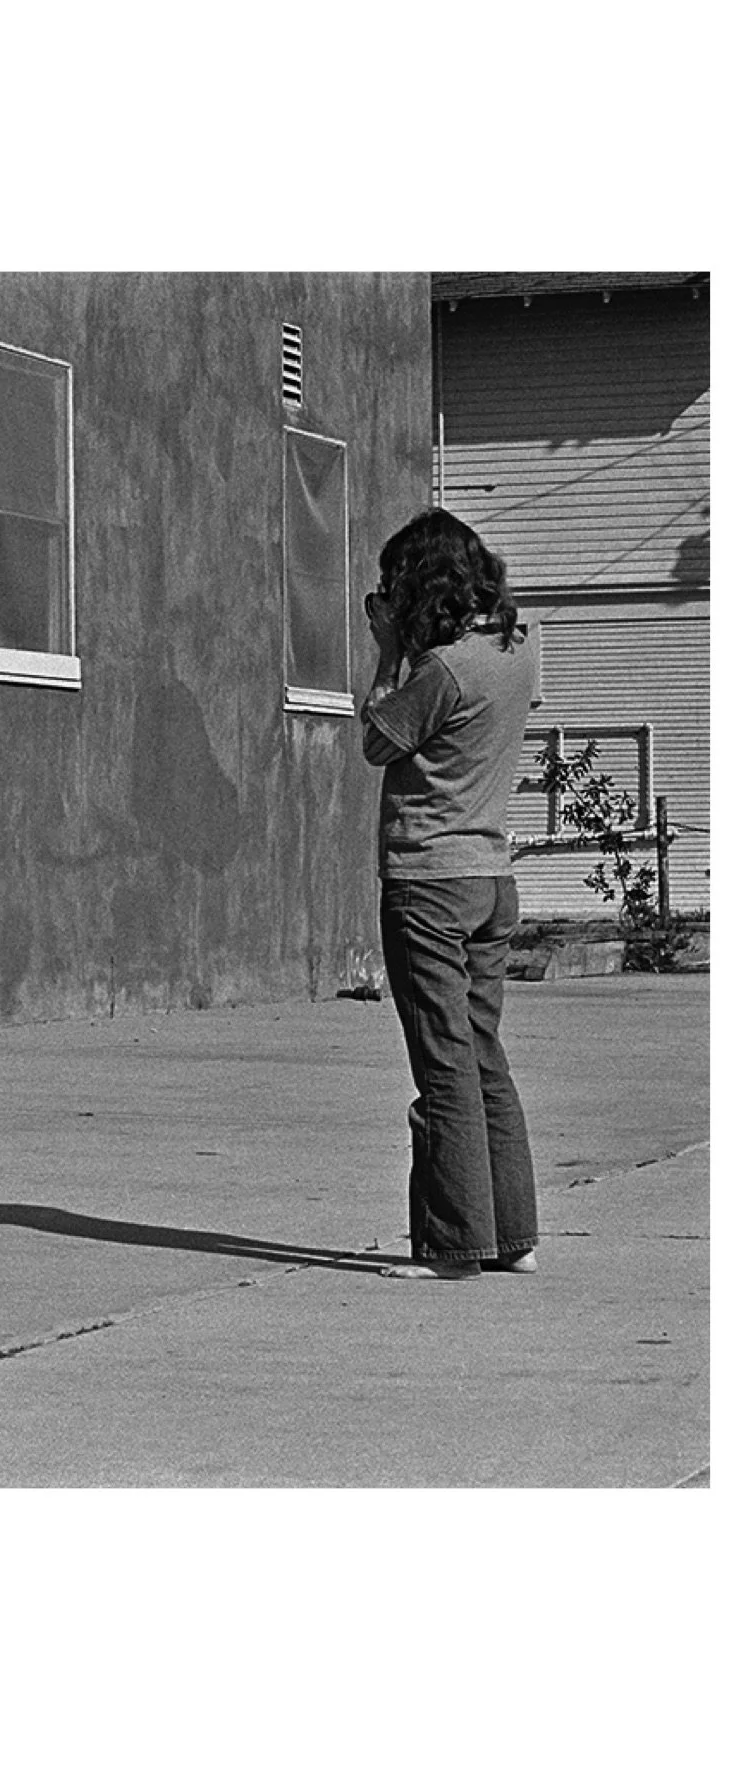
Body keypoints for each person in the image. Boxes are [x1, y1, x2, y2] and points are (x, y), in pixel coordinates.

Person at [361, 509, 541, 1279]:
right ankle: (514, 1238)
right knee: (482, 1056)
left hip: (429, 881)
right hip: (490, 877)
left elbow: (377, 738)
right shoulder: (520, 647)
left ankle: (454, 1248)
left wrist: (388, 651)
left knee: (443, 1067)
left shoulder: (442, 670)